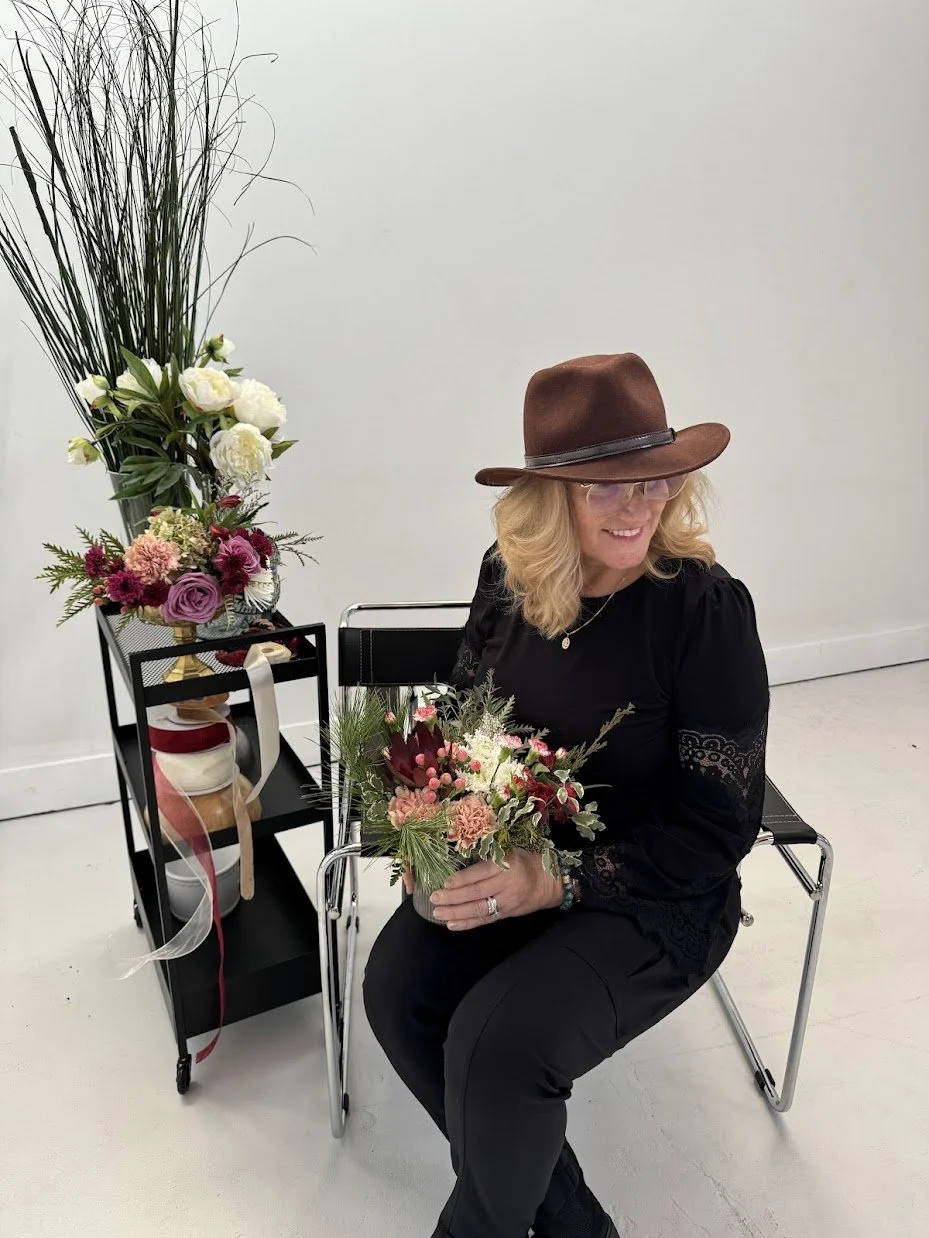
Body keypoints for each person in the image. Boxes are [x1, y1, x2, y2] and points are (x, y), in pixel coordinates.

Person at [363, 353, 770, 1238]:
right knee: (397, 993)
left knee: (501, 1048)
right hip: (518, 855)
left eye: (657, 481)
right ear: (549, 499)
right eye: (608, 490)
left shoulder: (703, 612)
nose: (642, 507)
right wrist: (431, 839)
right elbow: (468, 729)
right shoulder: (506, 577)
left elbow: (717, 829)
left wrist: (558, 883)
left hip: (652, 889)